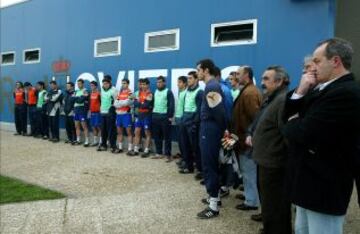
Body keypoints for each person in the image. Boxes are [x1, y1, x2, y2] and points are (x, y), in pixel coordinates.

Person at [282, 38, 360, 234]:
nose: (312, 68)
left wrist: (294, 122)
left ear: (335, 61)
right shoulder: (319, 89)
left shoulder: (347, 92)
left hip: (325, 188)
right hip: (306, 184)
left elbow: (302, 132)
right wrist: (300, 91)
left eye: (317, 61)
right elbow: (286, 121)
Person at [249, 66, 291, 234]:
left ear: (279, 81)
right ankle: (270, 227)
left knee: (276, 204)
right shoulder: (271, 98)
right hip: (265, 160)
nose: (262, 83)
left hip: (274, 163)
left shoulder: (282, 100)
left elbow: (286, 133)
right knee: (269, 202)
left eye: (266, 79)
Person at [196, 59, 227, 219]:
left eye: (199, 70)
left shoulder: (212, 86)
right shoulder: (212, 86)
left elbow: (219, 112)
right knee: (210, 164)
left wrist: (223, 130)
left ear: (206, 70)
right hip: (209, 128)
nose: (197, 73)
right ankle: (215, 198)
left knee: (209, 165)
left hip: (210, 129)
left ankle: (213, 206)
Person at [232, 66, 262, 211]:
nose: (236, 76)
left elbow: (256, 118)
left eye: (239, 74)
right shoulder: (247, 90)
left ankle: (252, 201)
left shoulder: (250, 93)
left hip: (247, 141)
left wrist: (251, 136)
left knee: (249, 171)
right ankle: (249, 195)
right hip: (243, 139)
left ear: (247, 75)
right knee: (246, 170)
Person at [179, 71, 203, 174]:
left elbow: (199, 110)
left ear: (196, 79)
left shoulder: (200, 92)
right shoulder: (186, 91)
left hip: (192, 122)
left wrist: (194, 124)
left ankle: (200, 170)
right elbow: (185, 107)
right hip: (184, 120)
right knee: (185, 145)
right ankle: (189, 167)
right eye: (188, 78)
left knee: (196, 148)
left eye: (190, 78)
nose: (188, 80)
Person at [151, 76, 175, 162]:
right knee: (157, 136)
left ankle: (168, 154)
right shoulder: (156, 91)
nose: (159, 84)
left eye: (160, 82)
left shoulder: (168, 92)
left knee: (167, 137)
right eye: (157, 82)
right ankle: (159, 153)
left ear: (164, 83)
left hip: (164, 117)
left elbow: (171, 105)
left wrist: (169, 116)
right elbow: (152, 103)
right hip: (155, 117)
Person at [128, 78, 153, 157]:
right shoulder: (139, 93)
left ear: (148, 85)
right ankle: (136, 149)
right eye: (141, 84)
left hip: (147, 115)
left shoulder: (150, 94)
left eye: (144, 84)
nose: (142, 86)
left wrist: (139, 103)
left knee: (147, 133)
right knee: (136, 132)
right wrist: (140, 103)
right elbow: (134, 103)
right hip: (139, 115)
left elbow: (146, 105)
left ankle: (146, 150)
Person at [97, 75, 118, 152]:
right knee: (103, 130)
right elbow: (100, 100)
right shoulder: (101, 90)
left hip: (110, 113)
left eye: (106, 83)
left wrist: (111, 109)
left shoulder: (114, 90)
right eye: (103, 83)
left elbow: (116, 101)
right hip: (103, 112)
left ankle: (113, 146)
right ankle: (104, 145)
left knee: (112, 130)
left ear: (109, 83)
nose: (104, 85)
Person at [114, 79, 133, 153]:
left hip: (126, 115)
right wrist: (122, 102)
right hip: (119, 114)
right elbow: (115, 104)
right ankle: (120, 148)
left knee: (129, 132)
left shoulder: (131, 93)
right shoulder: (120, 93)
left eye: (124, 83)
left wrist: (120, 103)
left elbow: (128, 103)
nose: (123, 85)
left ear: (128, 84)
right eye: (122, 83)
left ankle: (130, 149)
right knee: (119, 132)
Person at [174, 76, 187, 162]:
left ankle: (186, 159)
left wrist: (182, 118)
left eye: (179, 82)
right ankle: (183, 157)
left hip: (182, 120)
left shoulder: (186, 93)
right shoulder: (181, 92)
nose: (178, 84)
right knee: (180, 140)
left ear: (184, 83)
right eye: (178, 82)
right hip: (178, 118)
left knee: (184, 141)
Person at [73, 79, 90, 146]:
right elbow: (72, 99)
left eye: (80, 83)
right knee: (76, 126)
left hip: (82, 110)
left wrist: (77, 98)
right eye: (78, 83)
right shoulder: (76, 91)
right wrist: (78, 98)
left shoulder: (85, 91)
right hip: (76, 110)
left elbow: (81, 100)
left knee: (84, 126)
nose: (78, 85)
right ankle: (78, 140)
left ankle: (87, 141)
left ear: (83, 84)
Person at [89, 81, 102, 146]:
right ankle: (95, 141)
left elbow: (101, 102)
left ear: (96, 86)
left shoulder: (99, 94)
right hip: (92, 112)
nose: (91, 87)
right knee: (93, 127)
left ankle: (101, 141)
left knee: (99, 127)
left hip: (98, 113)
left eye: (93, 85)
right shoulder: (90, 93)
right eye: (91, 85)